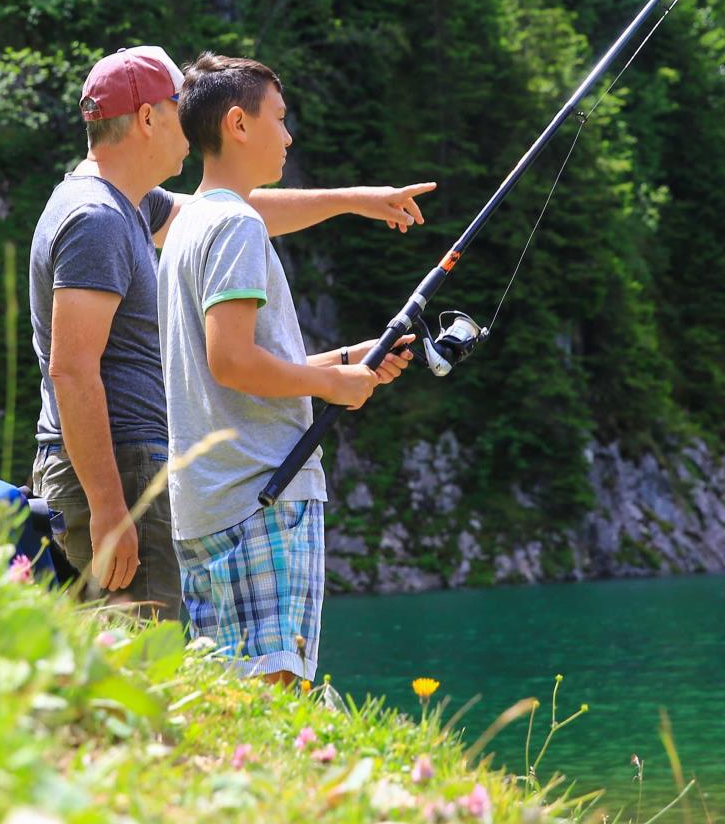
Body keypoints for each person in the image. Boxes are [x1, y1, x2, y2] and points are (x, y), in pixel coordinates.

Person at [28, 45, 432, 619]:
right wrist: (109, 506)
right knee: (140, 669)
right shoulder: (96, 219)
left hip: (128, 468)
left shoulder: (130, 206)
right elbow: (71, 368)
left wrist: (354, 202)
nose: (188, 125)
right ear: (148, 118)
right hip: (115, 471)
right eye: (176, 105)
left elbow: (228, 212)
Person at [158, 52, 412, 683]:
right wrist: (331, 384)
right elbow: (232, 361)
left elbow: (234, 364)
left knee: (227, 700)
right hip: (263, 498)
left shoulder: (189, 226)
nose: (289, 134)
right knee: (276, 692)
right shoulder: (238, 226)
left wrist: (351, 362)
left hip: (206, 506)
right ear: (238, 124)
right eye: (279, 117)